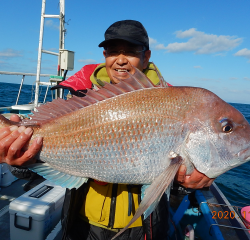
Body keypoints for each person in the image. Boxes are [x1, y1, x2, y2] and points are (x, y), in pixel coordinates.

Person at [0, 20, 214, 240]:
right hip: (81, 227)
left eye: (130, 52)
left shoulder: (172, 104)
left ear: (146, 56)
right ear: (105, 56)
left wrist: (191, 182)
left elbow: (174, 181)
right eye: (113, 52)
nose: (120, 60)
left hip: (143, 231)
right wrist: (19, 160)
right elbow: (36, 164)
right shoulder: (80, 100)